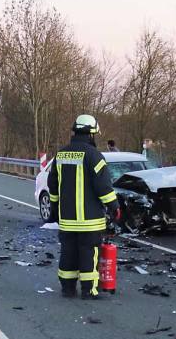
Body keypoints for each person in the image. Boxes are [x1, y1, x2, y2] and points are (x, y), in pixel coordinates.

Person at [48, 114, 121, 300]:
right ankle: (89, 291)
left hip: (67, 220)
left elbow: (53, 185)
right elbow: (103, 187)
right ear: (91, 134)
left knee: (68, 254)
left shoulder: (61, 154)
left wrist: (55, 210)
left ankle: (68, 289)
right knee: (89, 255)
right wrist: (114, 207)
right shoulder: (94, 155)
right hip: (90, 222)